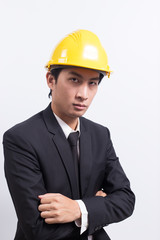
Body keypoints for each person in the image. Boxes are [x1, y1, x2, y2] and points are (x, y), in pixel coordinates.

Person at [3, 29, 135, 240]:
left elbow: (126, 200)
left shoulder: (100, 135)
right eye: (74, 80)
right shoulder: (21, 139)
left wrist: (77, 209)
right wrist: (96, 207)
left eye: (92, 83)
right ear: (51, 80)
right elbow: (38, 230)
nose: (83, 94)